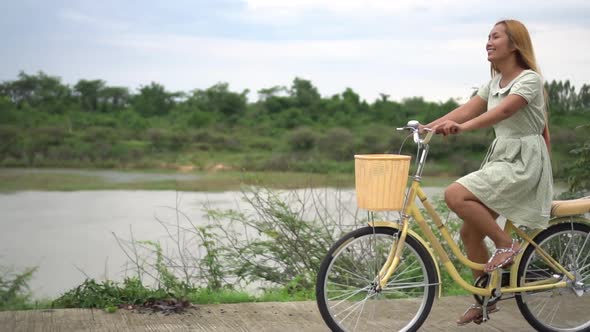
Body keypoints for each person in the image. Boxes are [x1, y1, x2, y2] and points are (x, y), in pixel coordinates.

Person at [422, 19, 553, 326]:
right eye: (487, 37)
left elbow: (504, 111)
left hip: (524, 163)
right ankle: (484, 301)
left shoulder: (529, 79)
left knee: (455, 193)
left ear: (514, 45)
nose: (488, 43)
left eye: (495, 37)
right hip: (503, 159)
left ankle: (507, 246)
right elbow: (468, 109)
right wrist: (428, 127)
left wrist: (461, 129)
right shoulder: (493, 84)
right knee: (469, 232)